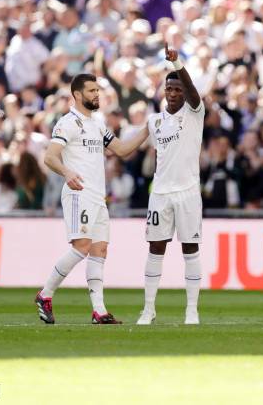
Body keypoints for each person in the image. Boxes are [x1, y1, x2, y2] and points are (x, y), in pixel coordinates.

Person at [35, 73, 149, 325]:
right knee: (82, 246)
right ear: (77, 95)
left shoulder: (97, 124)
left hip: (98, 197)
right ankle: (45, 294)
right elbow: (50, 157)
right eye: (91, 91)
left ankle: (99, 311)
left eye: (97, 90)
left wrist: (147, 130)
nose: (97, 94)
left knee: (99, 250)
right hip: (79, 194)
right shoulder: (67, 123)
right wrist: (66, 172)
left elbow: (121, 150)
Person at [137, 43, 205, 326]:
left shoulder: (194, 113)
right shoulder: (154, 122)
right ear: (163, 92)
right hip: (161, 194)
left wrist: (177, 65)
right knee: (155, 248)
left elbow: (193, 92)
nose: (174, 93)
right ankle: (149, 309)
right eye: (169, 89)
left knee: (190, 249)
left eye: (178, 89)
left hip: (188, 192)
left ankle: (191, 310)